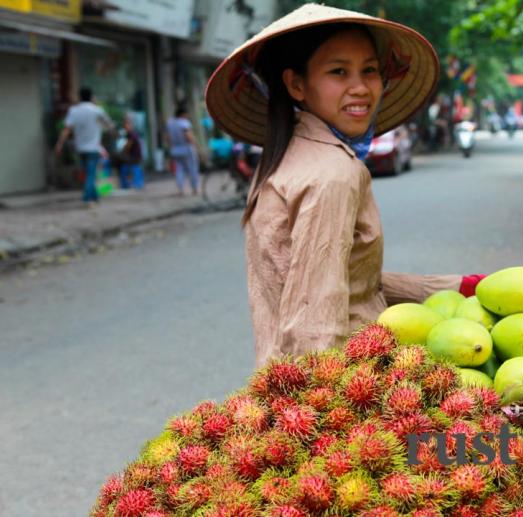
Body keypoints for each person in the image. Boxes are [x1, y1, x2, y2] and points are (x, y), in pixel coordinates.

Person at [205, 3, 483, 367]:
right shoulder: (334, 172)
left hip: (281, 380)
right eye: (339, 71)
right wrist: (329, 412)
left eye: (369, 71)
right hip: (342, 386)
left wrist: (459, 287)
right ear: (296, 84)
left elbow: (347, 280)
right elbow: (315, 327)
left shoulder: (283, 157)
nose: (360, 88)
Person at [53, 87, 113, 207]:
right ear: (91, 97)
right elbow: (109, 125)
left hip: (80, 148)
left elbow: (66, 130)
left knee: (88, 173)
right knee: (91, 173)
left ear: (80, 97)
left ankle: (95, 197)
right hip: (94, 148)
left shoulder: (74, 111)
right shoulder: (97, 110)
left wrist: (59, 144)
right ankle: (87, 198)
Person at [165, 106, 202, 196]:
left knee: (179, 170)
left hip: (175, 150)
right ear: (183, 114)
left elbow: (167, 138)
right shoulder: (184, 123)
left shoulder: (170, 123)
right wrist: (197, 146)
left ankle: (180, 190)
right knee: (192, 169)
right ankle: (195, 188)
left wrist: (170, 147)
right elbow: (188, 135)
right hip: (186, 149)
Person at [117, 116, 144, 189]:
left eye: (127, 125)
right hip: (134, 156)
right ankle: (131, 184)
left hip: (134, 156)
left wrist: (123, 150)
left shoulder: (131, 134)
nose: (126, 127)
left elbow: (129, 144)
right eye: (125, 126)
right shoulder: (131, 133)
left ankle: (128, 184)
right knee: (126, 167)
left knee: (124, 166)